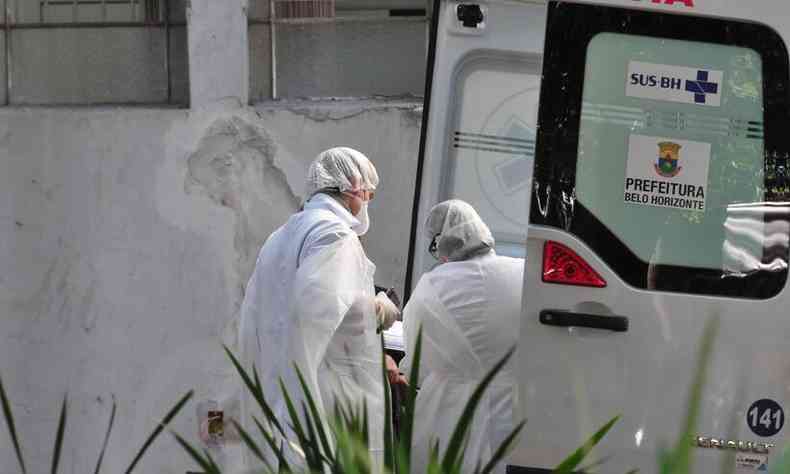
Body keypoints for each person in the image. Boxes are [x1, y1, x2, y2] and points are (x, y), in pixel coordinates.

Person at [238, 147, 400, 471]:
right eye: (367, 190)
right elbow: (324, 311)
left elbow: (257, 313)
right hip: (325, 387)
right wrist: (380, 310)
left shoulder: (279, 237)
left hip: (278, 387)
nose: (367, 198)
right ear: (349, 185)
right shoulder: (335, 233)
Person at [401, 200, 523, 474]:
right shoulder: (522, 273)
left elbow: (415, 365)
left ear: (442, 243)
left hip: (448, 416)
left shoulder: (432, 287)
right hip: (511, 412)